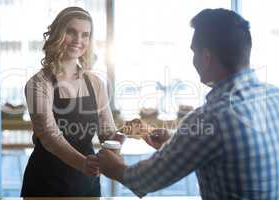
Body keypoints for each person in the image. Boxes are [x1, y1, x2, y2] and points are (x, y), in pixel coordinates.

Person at [98, 8, 279, 200]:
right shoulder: (274, 96)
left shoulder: (210, 117)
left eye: (194, 52)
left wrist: (115, 167)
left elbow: (146, 180)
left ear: (206, 57)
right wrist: (173, 142)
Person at [21, 7, 123, 197]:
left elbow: (107, 132)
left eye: (85, 35)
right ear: (58, 34)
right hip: (45, 183)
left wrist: (122, 136)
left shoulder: (95, 83)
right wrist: (83, 163)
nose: (79, 40)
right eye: (71, 32)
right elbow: (50, 137)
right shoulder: (39, 83)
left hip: (87, 183)